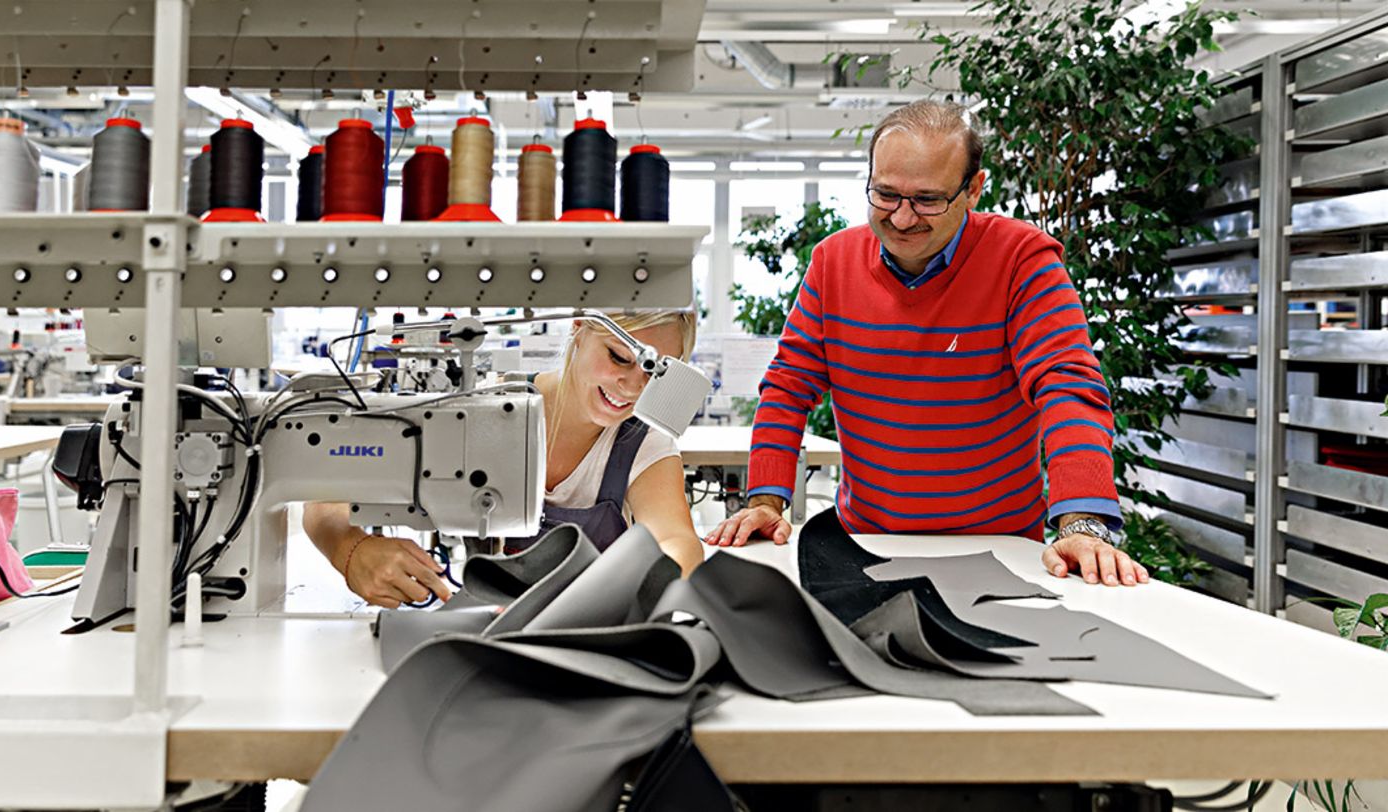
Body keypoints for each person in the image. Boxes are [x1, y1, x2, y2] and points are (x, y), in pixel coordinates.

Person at [705, 100, 1150, 588]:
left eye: (927, 200)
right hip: (868, 543)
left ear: (973, 190)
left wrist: (1082, 522)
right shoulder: (833, 262)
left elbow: (1066, 384)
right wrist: (766, 500)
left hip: (999, 547)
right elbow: (789, 385)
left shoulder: (1021, 258)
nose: (900, 219)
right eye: (886, 194)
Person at [305, 311, 705, 608]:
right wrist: (351, 551)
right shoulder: (485, 409)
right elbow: (322, 503)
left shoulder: (642, 441)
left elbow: (677, 543)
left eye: (656, 373)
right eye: (619, 358)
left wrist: (617, 599)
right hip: (481, 626)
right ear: (578, 330)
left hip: (583, 637)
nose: (633, 386)